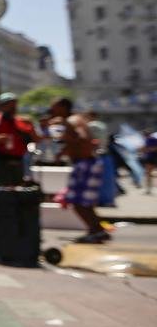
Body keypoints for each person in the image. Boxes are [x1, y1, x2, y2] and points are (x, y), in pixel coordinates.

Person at [46, 98, 110, 243]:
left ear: (63, 107)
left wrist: (64, 135)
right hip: (87, 162)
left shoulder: (72, 120)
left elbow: (81, 137)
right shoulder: (74, 119)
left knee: (77, 201)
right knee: (84, 202)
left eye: (54, 107)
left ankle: (96, 231)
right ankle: (97, 231)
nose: (52, 111)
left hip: (84, 163)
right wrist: (63, 151)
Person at [0, 92, 34, 186]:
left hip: (18, 162)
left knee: (19, 188)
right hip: (0, 163)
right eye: (9, 105)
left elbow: (35, 138)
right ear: (2, 106)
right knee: (0, 189)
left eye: (14, 104)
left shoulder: (20, 121)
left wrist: (30, 126)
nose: (13, 107)